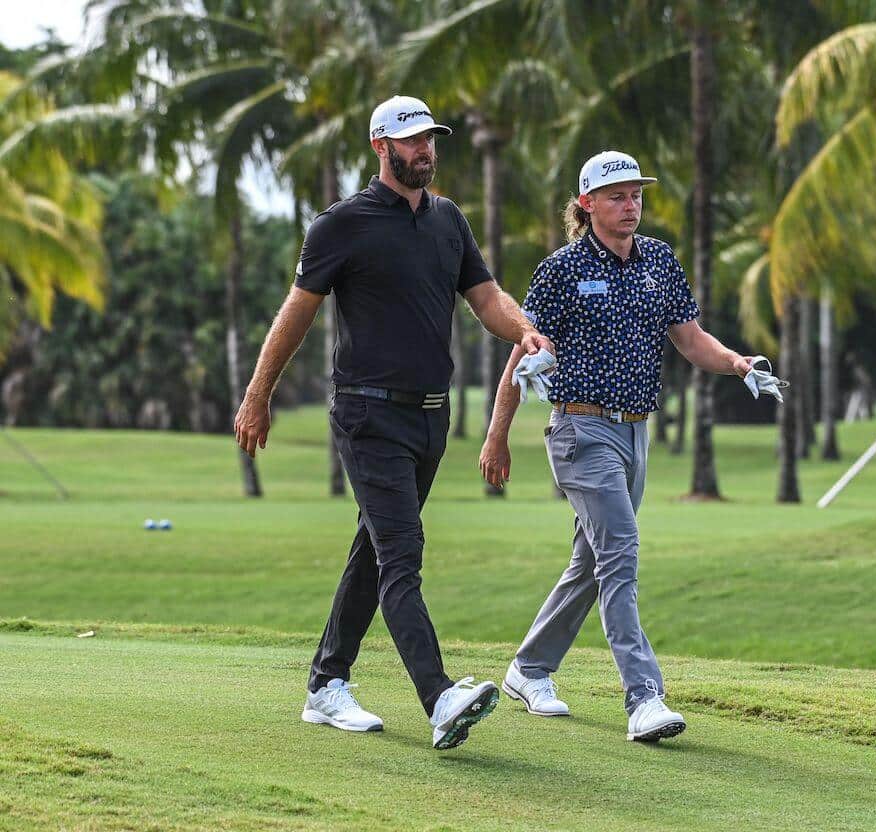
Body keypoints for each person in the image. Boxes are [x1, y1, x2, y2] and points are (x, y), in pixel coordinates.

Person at [233, 95, 553, 750]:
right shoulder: (340, 225)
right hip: (367, 414)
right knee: (401, 554)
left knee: (375, 552)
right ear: (381, 146)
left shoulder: (447, 221)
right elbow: (296, 314)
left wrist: (524, 331)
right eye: (411, 141)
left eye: (430, 139)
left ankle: (326, 683)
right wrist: (258, 394)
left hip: (429, 421)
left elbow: (485, 297)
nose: (424, 151)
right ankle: (439, 699)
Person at [479, 150, 780, 742]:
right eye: (617, 196)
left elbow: (691, 340)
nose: (631, 205)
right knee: (621, 552)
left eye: (637, 194)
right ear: (587, 204)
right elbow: (524, 349)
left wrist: (738, 364)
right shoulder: (561, 270)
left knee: (593, 561)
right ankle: (643, 697)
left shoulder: (660, 262)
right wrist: (497, 436)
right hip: (579, 430)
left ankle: (529, 669)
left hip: (635, 433)